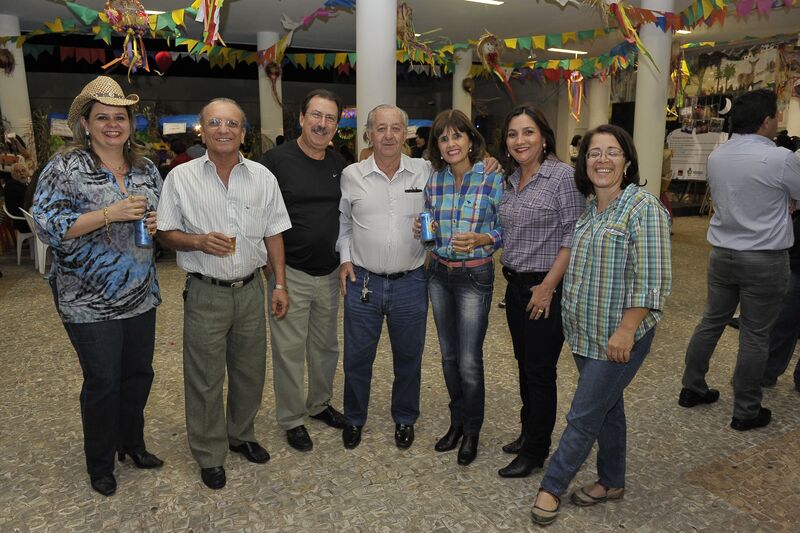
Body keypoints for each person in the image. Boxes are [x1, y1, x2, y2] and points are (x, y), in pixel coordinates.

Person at [531, 124, 672, 526]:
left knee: (584, 414)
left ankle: (552, 487)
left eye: (612, 152)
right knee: (608, 406)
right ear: (584, 162)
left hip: (620, 335)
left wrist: (627, 330)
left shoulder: (643, 208)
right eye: (594, 153)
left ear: (627, 161)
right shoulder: (589, 209)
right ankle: (612, 480)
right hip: (585, 332)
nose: (603, 160)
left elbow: (653, 280)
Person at [31, 75, 163, 496]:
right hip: (87, 298)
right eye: (102, 117)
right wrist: (110, 213)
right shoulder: (66, 167)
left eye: (120, 117)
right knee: (104, 381)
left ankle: (132, 444)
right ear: (85, 124)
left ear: (130, 124)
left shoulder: (145, 168)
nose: (112, 125)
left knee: (138, 375)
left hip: (140, 292)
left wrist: (157, 223)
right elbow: (47, 225)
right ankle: (101, 464)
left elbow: (162, 213)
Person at [157, 97, 292, 490]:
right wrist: (198, 241)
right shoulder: (180, 178)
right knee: (204, 377)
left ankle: (241, 434)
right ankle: (209, 452)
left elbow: (274, 233)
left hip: (251, 288)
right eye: (215, 122)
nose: (224, 130)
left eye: (232, 123)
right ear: (203, 131)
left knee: (250, 371)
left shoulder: (263, 178)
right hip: (206, 291)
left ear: (243, 133)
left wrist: (279, 283)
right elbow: (165, 232)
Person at [679, 89, 800, 431]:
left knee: (711, 322)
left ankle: (692, 387)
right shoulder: (779, 158)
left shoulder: (718, 155)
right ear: (766, 121)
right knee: (756, 334)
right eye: (776, 116)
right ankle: (746, 410)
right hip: (764, 258)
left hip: (722, 255)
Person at [496, 105, 585, 478]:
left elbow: (573, 235)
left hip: (545, 289)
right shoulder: (510, 179)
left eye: (528, 132)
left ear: (544, 138)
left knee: (539, 371)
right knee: (524, 365)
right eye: (513, 134)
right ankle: (528, 431)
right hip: (515, 288)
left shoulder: (563, 177)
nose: (520, 140)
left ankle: (535, 451)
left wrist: (547, 287)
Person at [259, 89, 348, 453]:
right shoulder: (274, 162)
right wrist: (272, 271)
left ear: (337, 125)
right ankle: (292, 418)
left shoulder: (340, 165)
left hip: (329, 274)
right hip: (289, 273)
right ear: (301, 118)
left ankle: (320, 404)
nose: (322, 124)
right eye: (316, 115)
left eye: (330, 118)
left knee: (325, 346)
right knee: (289, 351)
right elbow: (259, 215)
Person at [337, 104, 430, 450]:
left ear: (405, 133)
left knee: (409, 358)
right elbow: (344, 224)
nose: (388, 135)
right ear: (368, 134)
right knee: (357, 358)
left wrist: (489, 162)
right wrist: (345, 258)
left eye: (395, 128)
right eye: (381, 128)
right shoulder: (352, 175)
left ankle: (405, 417)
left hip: (411, 282)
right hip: (363, 282)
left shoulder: (425, 172)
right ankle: (354, 418)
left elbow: (464, 173)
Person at [417, 109, 503, 466]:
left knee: (468, 359)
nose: (451, 143)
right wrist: (424, 232)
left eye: (457, 135)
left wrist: (485, 238)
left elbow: (507, 227)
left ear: (470, 139)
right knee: (449, 356)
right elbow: (429, 229)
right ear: (437, 145)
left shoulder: (492, 177)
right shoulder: (434, 180)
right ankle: (456, 422)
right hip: (438, 274)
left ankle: (472, 430)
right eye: (443, 138)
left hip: (474, 277)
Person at [761, 210, 800, 392]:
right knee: (782, 322)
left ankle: (765, 372)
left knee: (782, 322)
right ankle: (764, 373)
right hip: (796, 263)